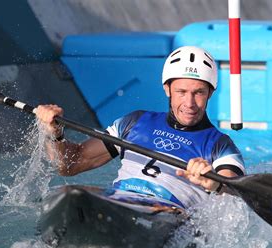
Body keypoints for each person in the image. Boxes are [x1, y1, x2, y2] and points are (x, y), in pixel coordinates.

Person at [34, 46, 245, 209]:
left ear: (210, 93)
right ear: (167, 89)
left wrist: (214, 183)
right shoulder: (135, 122)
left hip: (169, 213)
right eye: (181, 91)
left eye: (198, 92)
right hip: (117, 201)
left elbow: (234, 187)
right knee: (69, 196)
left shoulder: (220, 145)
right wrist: (54, 134)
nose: (189, 103)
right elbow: (70, 165)